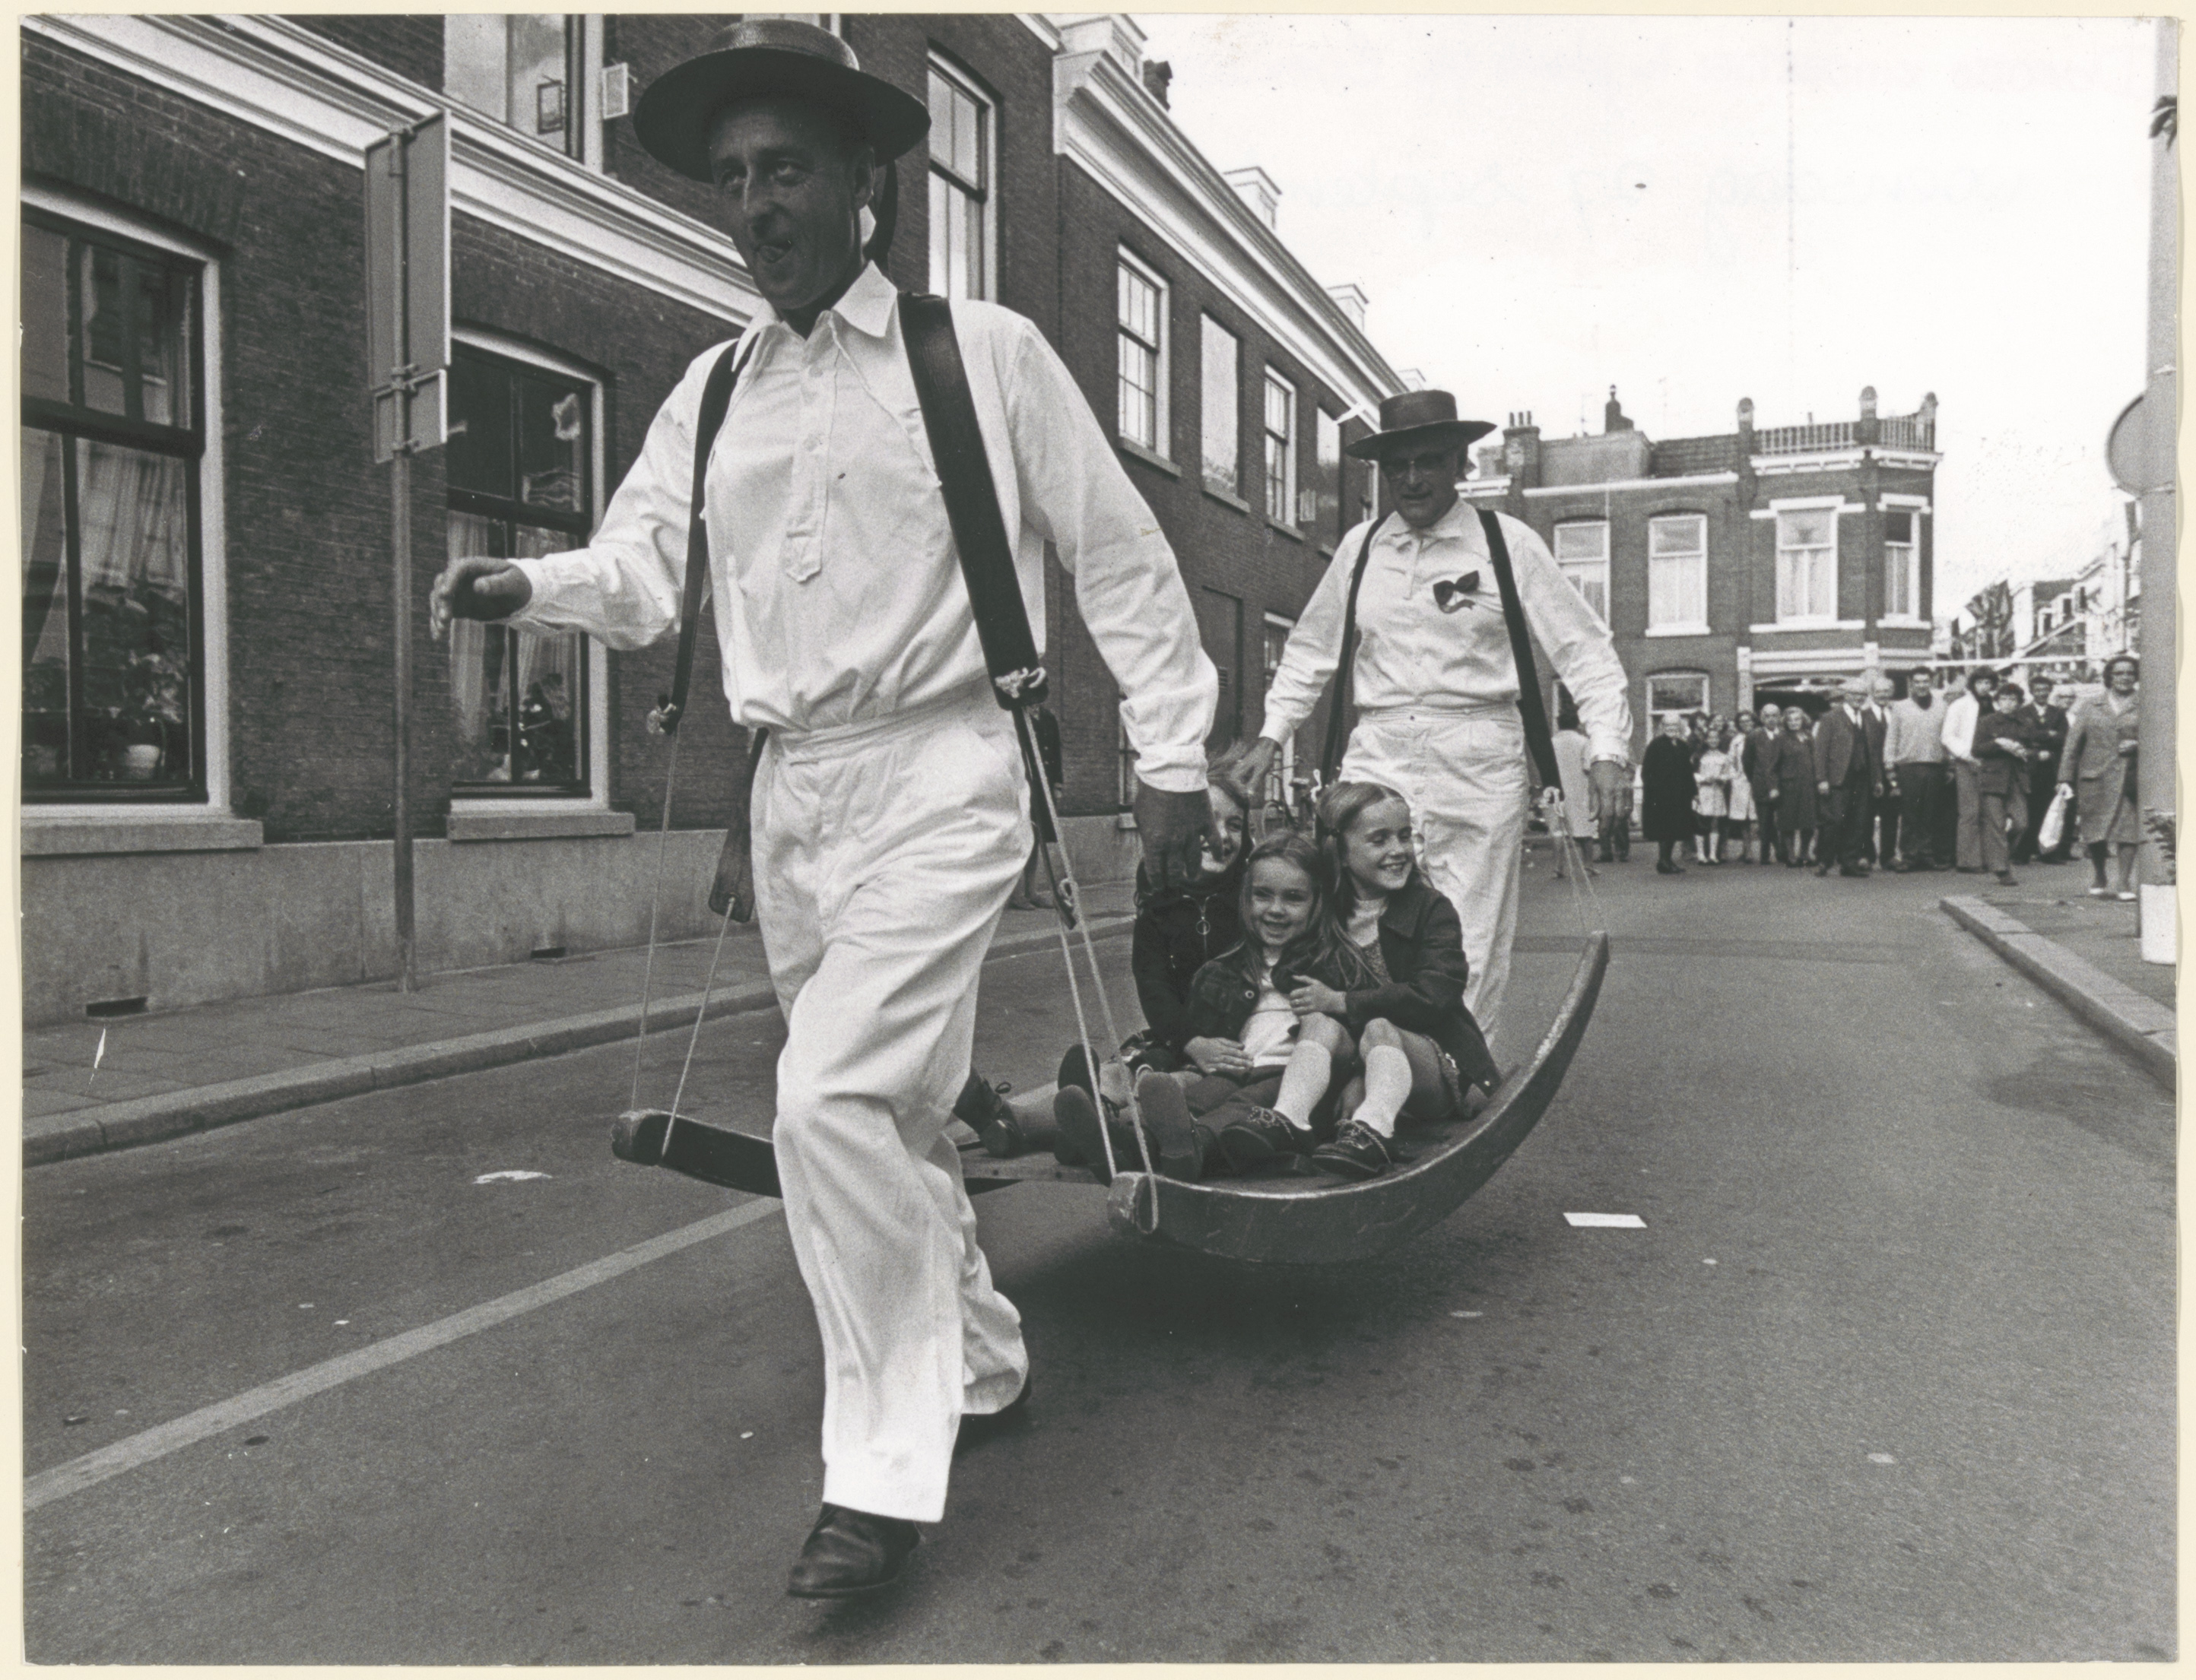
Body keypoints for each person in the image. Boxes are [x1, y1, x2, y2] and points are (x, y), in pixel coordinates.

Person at [429, 19, 1220, 1600]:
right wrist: (530, 584)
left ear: (864, 179)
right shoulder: (715, 388)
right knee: (889, 1110)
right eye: (732, 179)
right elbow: (644, 567)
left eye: (784, 169)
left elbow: (1120, 557)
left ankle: (876, 1486)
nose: (755, 206)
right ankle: (978, 1357)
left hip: (947, 768)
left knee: (829, 1103)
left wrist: (1175, 763)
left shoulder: (979, 351)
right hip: (793, 793)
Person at [1236, 391, 1630, 1066]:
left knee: (1466, 935)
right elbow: (1310, 650)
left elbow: (1584, 650)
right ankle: (1348, 1073)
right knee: (1355, 921)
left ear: (1460, 463)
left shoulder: (1508, 544)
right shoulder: (1361, 550)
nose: (1412, 479)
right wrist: (1273, 734)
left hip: (1478, 754)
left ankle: (1456, 1079)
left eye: (1428, 463)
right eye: (1398, 466)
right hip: (1380, 750)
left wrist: (1609, 749)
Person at [1121, 832, 1374, 1180]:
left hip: (1295, 1087)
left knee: (1246, 1104)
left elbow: (1369, 1026)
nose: (1276, 910)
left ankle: (1196, 1146)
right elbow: (1197, 1037)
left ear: (1318, 902)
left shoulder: (1339, 962)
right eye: (1263, 895)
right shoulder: (1224, 969)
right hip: (1239, 1070)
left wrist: (1359, 1079)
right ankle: (1138, 1144)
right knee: (1204, 1094)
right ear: (1246, 898)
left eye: (1294, 898)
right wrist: (1181, 1058)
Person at [1050, 759, 1249, 1171]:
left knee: (1167, 1084)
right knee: (1134, 1067)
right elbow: (1153, 984)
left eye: (1236, 825)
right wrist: (1189, 1040)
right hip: (1179, 1035)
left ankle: (1108, 1133)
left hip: (1237, 1043)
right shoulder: (1159, 906)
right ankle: (1094, 1115)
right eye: (1207, 823)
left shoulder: (1254, 897)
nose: (1223, 836)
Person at [2059, 655, 2143, 901]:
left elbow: (2162, 738)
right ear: (2109, 677)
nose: (2125, 677)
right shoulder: (2090, 705)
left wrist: (2138, 744)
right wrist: (2064, 778)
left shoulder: (2145, 704)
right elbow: (2072, 744)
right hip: (2095, 776)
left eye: (2129, 673)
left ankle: (2124, 881)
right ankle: (2099, 874)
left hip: (2129, 777)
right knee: (2095, 830)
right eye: (2119, 673)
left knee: (2129, 830)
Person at [1813, 676, 1885, 878]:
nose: (1858, 698)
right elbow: (1820, 751)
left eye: (1862, 695)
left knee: (1858, 821)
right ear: (1846, 696)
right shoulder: (1831, 718)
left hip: (1863, 778)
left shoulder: (1868, 718)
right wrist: (1821, 779)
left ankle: (1849, 863)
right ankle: (1824, 861)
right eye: (1854, 694)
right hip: (1838, 778)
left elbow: (1874, 752)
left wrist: (1877, 779)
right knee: (1834, 821)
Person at [1883, 668, 1948, 870]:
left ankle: (1927, 854)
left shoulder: (1942, 706)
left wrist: (1950, 764)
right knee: (1910, 813)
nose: (1921, 685)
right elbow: (1892, 737)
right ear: (1911, 683)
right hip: (1909, 766)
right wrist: (1889, 764)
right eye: (1917, 682)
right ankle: (1909, 856)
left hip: (1935, 765)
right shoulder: (1900, 707)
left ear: (1932, 682)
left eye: (1925, 681)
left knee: (1931, 813)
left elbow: (1947, 737)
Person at [1973, 681, 2036, 886]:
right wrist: (1998, 744)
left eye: (2012, 700)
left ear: (2019, 702)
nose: (2008, 703)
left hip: (2017, 778)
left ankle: (1998, 853)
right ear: (1997, 701)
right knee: (1995, 825)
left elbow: (2033, 748)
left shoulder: (2025, 723)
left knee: (2021, 824)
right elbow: (1977, 749)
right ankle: (2002, 870)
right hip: (1993, 778)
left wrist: (2024, 752)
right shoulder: (1987, 722)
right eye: (2004, 699)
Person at [1005, 702, 1065, 910]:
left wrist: (1057, 784)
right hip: (1024, 785)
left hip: (1043, 787)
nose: (1036, 702)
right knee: (1022, 837)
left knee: (1037, 838)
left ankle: (1032, 892)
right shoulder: (1015, 716)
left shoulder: (1048, 718)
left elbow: (1055, 752)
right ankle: (1017, 894)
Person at [1941, 667, 1998, 873]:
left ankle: (1989, 858)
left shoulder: (1995, 704)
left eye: (1988, 683)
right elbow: (1948, 736)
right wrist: (1967, 755)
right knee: (1970, 812)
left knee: (1989, 813)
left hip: (1991, 764)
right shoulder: (1960, 705)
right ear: (1973, 684)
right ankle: (1968, 861)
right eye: (1980, 682)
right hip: (1967, 763)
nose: (1984, 687)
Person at [2014, 672, 2071, 864]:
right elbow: (2023, 736)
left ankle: (2048, 852)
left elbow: (2064, 737)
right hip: (2030, 767)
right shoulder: (2022, 713)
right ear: (2032, 692)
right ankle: (2023, 852)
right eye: (2038, 690)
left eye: (2045, 690)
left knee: (2050, 809)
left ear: (2050, 691)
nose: (2042, 693)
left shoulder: (2058, 712)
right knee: (2030, 809)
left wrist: (2039, 736)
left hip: (2051, 767)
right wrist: (2048, 735)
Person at [1641, 713, 1698, 874]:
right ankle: (1664, 861)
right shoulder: (1656, 745)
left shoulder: (1682, 746)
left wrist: (1694, 792)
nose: (1671, 729)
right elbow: (1647, 772)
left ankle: (1666, 860)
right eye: (1668, 726)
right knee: (1665, 829)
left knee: (1674, 828)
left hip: (1680, 795)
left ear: (1680, 727)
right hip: (1661, 796)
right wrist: (1655, 790)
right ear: (1662, 727)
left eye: (1674, 726)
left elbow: (1688, 771)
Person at [1550, 699, 1598, 878]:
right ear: (1577, 723)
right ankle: (1588, 865)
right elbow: (1588, 767)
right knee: (1584, 828)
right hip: (1579, 791)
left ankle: (1558, 867)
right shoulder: (1584, 742)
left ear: (1558, 724)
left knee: (1558, 831)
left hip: (1557, 792)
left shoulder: (1551, 743)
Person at [1769, 705, 1819, 867]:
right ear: (1785, 722)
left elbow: (1815, 760)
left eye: (1797, 719)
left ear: (1803, 720)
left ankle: (1804, 853)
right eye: (1790, 720)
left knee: (1808, 821)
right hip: (1788, 786)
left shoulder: (1809, 737)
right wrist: (1773, 787)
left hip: (1808, 785)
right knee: (1788, 821)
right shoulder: (1780, 738)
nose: (1794, 723)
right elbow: (1772, 766)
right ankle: (1791, 855)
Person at [1864, 677, 1899, 866]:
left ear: (1891, 692)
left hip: (1893, 772)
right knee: (1867, 815)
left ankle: (1888, 856)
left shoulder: (1897, 713)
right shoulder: (1863, 715)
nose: (1883, 695)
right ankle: (1867, 855)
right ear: (1872, 693)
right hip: (1869, 773)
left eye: (1886, 691)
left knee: (1891, 815)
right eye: (1878, 691)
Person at [1744, 703, 1782, 866]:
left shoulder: (1784, 735)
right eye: (1767, 716)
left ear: (1780, 717)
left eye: (1774, 716)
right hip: (1761, 783)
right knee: (1765, 820)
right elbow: (1747, 762)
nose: (1771, 719)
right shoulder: (1754, 736)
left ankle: (1783, 851)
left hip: (1782, 784)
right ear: (1761, 718)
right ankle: (1765, 854)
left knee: (1781, 820)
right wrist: (1755, 779)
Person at [1692, 727, 1733, 864]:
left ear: (1719, 740)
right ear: (1706, 740)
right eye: (1710, 738)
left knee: (1715, 822)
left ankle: (1713, 855)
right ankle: (1701, 855)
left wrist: (1721, 778)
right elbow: (1692, 773)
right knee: (1701, 822)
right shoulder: (1699, 756)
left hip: (1717, 791)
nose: (1713, 740)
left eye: (1716, 738)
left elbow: (1728, 773)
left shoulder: (1724, 757)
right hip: (1702, 791)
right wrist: (1704, 779)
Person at [1725, 710, 1760, 861]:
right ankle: (1747, 849)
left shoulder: (1760, 736)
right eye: (1742, 722)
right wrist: (1734, 776)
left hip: (1758, 780)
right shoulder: (1737, 740)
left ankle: (1756, 849)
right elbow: (1730, 760)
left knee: (1756, 815)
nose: (1746, 724)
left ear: (1754, 721)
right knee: (1743, 817)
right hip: (1741, 781)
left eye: (1748, 721)